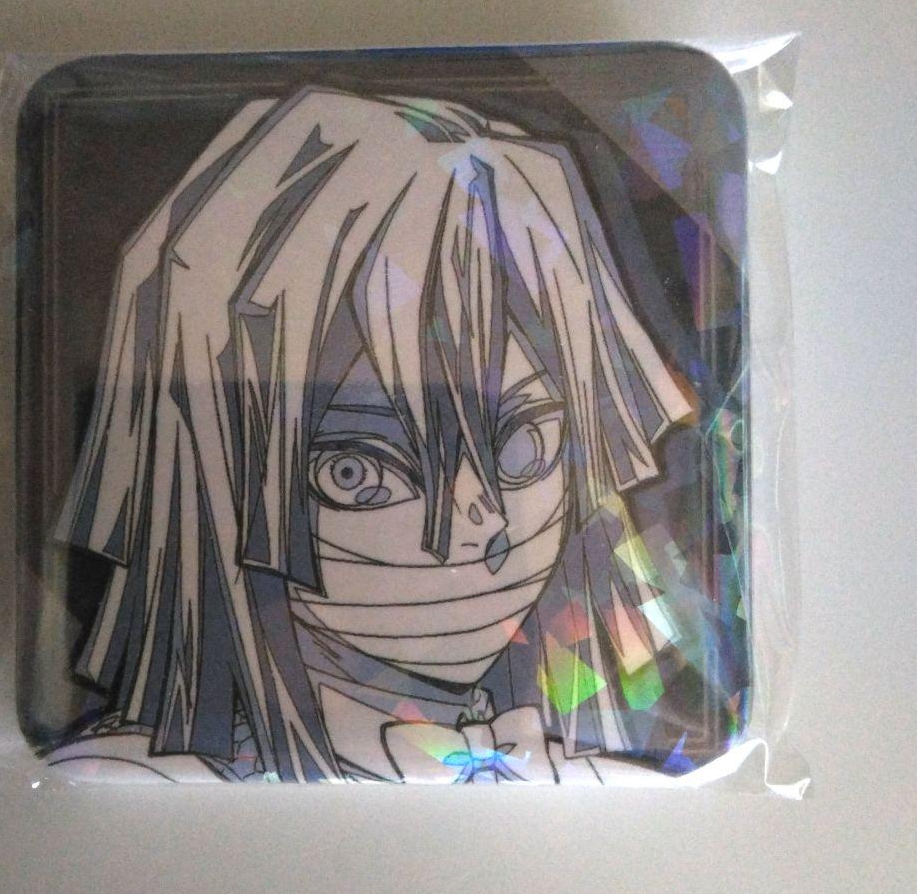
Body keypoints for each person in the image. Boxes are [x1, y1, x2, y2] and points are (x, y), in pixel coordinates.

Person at [47, 88, 698, 784]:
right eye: (356, 472)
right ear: (216, 469)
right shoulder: (134, 782)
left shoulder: (605, 780)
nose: (476, 529)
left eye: (523, 447)